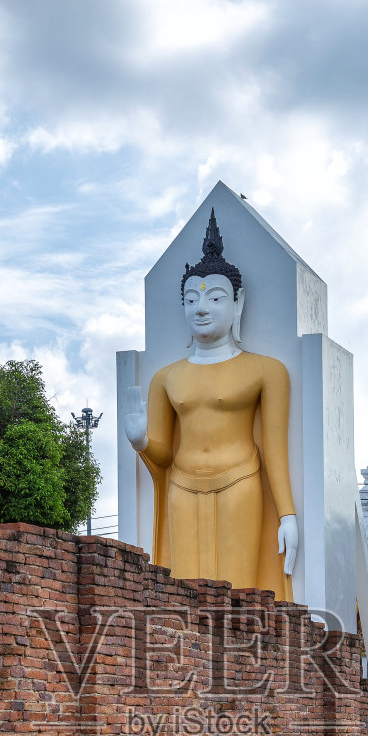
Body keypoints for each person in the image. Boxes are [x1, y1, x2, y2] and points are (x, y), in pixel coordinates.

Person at [123, 211, 299, 598]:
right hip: (182, 488)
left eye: (214, 298)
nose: (201, 308)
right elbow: (165, 455)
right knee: (183, 594)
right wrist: (140, 442)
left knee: (239, 593)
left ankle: (246, 658)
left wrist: (287, 514)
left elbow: (274, 450)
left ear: (238, 303)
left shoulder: (266, 370)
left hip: (240, 483)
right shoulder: (165, 378)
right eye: (191, 299)